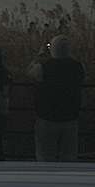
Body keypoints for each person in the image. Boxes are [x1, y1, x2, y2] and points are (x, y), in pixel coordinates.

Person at [28, 34, 84, 162]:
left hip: (46, 118)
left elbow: (29, 72)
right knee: (69, 157)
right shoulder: (78, 67)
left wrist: (40, 55)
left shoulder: (43, 67)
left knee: (45, 156)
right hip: (70, 118)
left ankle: (47, 180)